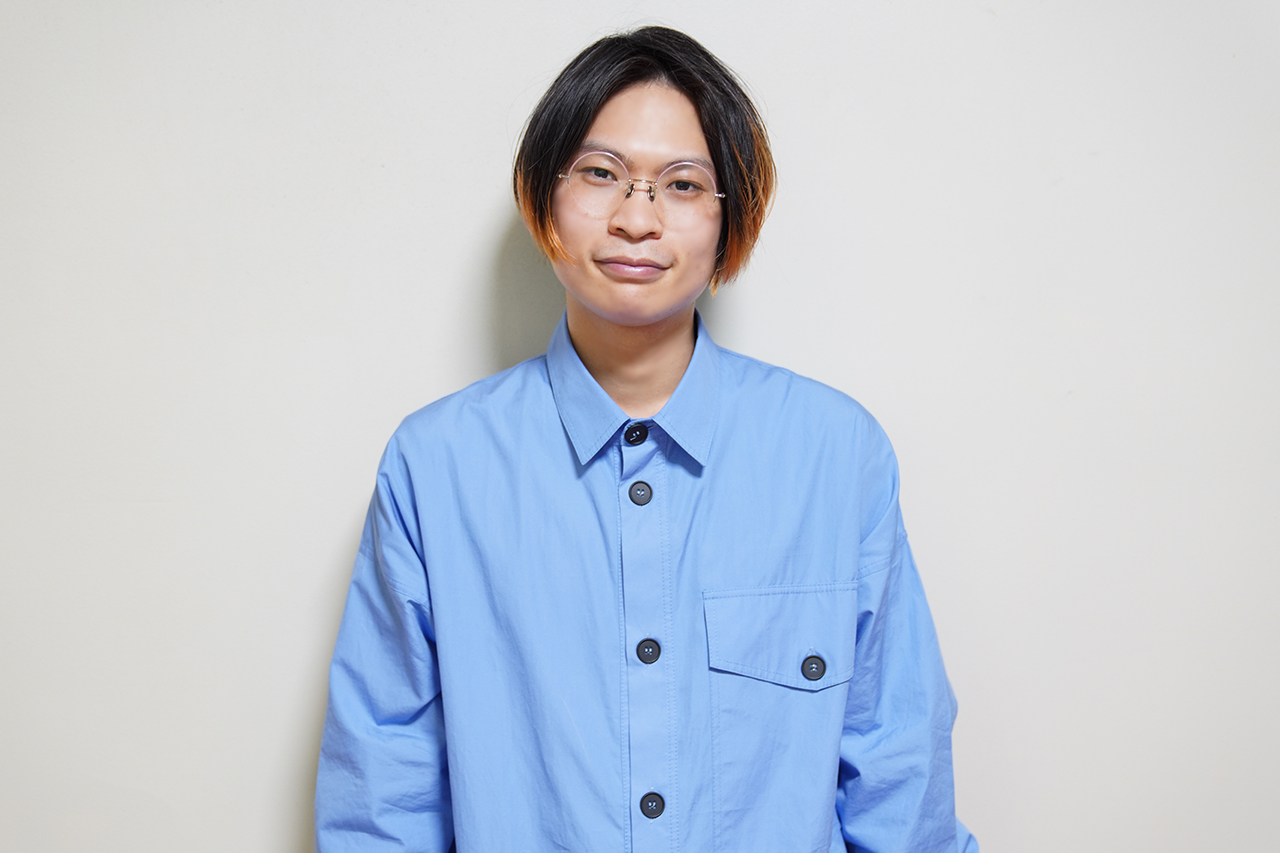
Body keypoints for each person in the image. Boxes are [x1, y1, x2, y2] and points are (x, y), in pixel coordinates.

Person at [315, 25, 978, 853]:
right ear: (542, 196)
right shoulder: (435, 466)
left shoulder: (836, 457)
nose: (637, 218)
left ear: (731, 217)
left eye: (683, 184)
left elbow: (899, 772)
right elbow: (383, 796)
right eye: (600, 173)